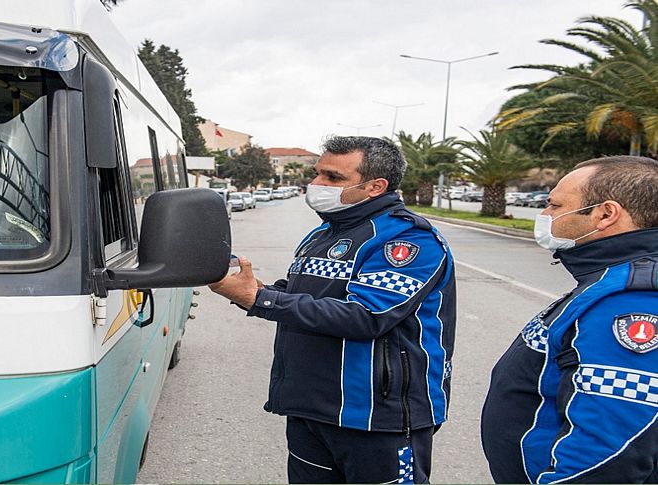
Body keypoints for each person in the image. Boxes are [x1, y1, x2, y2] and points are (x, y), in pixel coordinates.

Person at [210, 136, 456, 484]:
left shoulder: (408, 240)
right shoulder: (322, 234)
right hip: (311, 409)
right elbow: (301, 296)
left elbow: (366, 316)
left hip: (375, 418)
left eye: (333, 178)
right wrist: (249, 289)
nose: (316, 184)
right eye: (318, 174)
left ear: (376, 186)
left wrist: (260, 300)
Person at [481, 156, 658, 483]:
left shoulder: (629, 302)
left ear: (605, 214)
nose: (545, 215)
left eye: (554, 205)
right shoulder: (607, 281)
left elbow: (607, 454)